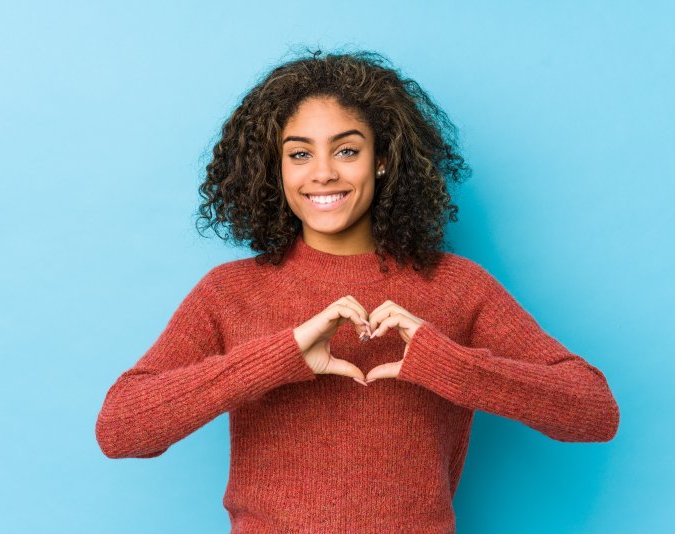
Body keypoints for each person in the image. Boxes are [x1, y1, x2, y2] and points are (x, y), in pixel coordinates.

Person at [95, 48, 620, 533]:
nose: (322, 174)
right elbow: (121, 429)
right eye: (299, 154)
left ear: (383, 158)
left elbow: (593, 412)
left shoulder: (457, 286)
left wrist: (446, 363)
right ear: (275, 170)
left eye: (346, 150)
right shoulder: (230, 292)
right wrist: (281, 356)